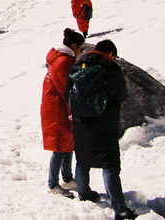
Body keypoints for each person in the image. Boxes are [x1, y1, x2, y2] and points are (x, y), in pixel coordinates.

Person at [71, 39, 137, 220]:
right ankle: (120, 209)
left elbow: (69, 89)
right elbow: (122, 94)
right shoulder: (111, 68)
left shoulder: (79, 65)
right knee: (109, 164)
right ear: (110, 53)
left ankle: (83, 193)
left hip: (80, 121)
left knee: (82, 159)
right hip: (105, 122)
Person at [41, 28, 86, 198]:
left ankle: (67, 178)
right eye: (80, 48)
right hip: (57, 110)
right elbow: (65, 90)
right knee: (59, 147)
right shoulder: (62, 62)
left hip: (59, 109)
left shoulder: (63, 59)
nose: (81, 52)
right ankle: (53, 184)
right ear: (74, 46)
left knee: (68, 143)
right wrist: (73, 110)